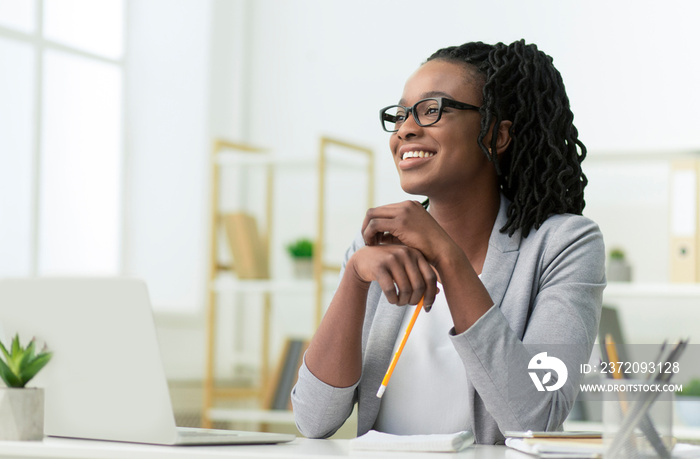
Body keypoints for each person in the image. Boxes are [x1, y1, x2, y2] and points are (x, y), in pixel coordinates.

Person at [291, 39, 606, 445]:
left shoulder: (564, 244)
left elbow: (535, 422)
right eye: (402, 114)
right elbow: (313, 421)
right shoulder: (377, 245)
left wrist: (445, 254)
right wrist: (354, 278)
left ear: (496, 134)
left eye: (432, 109)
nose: (405, 129)